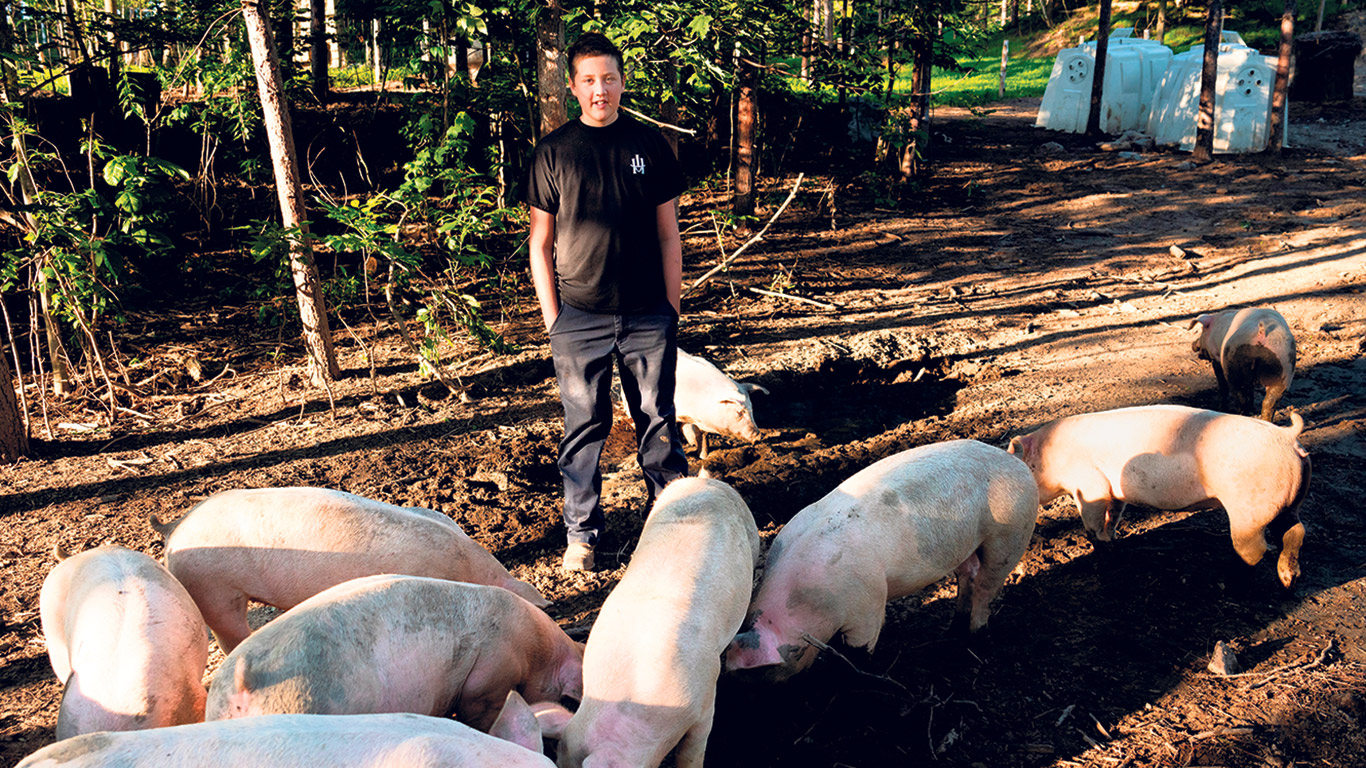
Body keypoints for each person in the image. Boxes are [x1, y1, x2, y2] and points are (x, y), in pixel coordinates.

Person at [525, 32, 689, 572]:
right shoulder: (553, 153)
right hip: (579, 318)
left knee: (657, 420)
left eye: (610, 79)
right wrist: (555, 321)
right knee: (584, 428)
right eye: (589, 81)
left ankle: (672, 524)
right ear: (573, 87)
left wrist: (671, 309)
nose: (601, 90)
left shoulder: (650, 147)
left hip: (648, 316)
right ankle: (583, 535)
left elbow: (670, 235)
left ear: (623, 82)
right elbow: (540, 244)